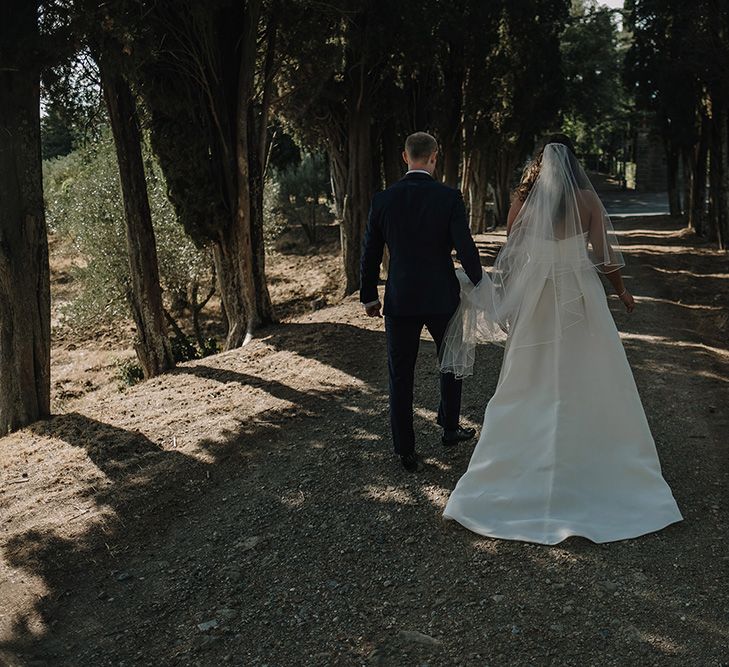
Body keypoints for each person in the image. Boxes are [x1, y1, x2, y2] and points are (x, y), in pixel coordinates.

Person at [439, 135, 683, 544]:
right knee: (590, 369)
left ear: (539, 165)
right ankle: (599, 456)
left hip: (537, 297)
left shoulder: (523, 198)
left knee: (528, 376)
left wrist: (513, 293)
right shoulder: (587, 200)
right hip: (579, 293)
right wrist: (621, 290)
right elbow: (605, 256)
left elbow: (511, 251)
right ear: (574, 165)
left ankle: (520, 461)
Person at [360, 131, 482, 473]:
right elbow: (466, 247)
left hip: (400, 299)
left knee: (400, 374)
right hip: (443, 296)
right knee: (451, 363)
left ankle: (405, 449)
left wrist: (369, 295)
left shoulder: (383, 200)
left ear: (405, 157)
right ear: (434, 157)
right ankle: (449, 428)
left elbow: (370, 251)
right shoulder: (448, 197)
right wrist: (481, 282)